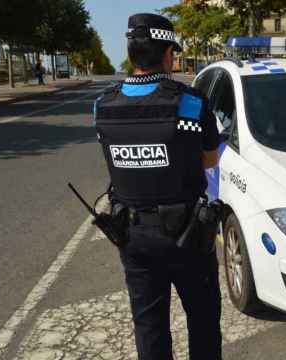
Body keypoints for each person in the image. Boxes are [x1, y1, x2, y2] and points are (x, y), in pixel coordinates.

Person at [92, 13, 222, 360]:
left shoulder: (102, 105)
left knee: (149, 326)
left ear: (132, 54)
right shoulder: (190, 103)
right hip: (187, 235)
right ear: (167, 54)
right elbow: (210, 160)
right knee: (204, 321)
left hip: (132, 235)